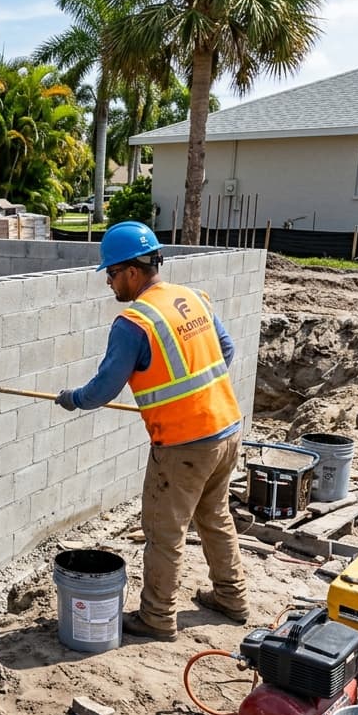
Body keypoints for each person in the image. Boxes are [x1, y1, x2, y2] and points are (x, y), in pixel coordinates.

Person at [55, 221, 248, 642]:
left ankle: (158, 617)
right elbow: (226, 350)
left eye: (110, 273)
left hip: (184, 445)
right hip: (226, 429)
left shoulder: (134, 323)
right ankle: (232, 598)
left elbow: (103, 389)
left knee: (164, 532)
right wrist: (196, 395)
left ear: (132, 271)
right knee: (214, 516)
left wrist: (73, 398)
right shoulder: (192, 298)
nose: (108, 282)